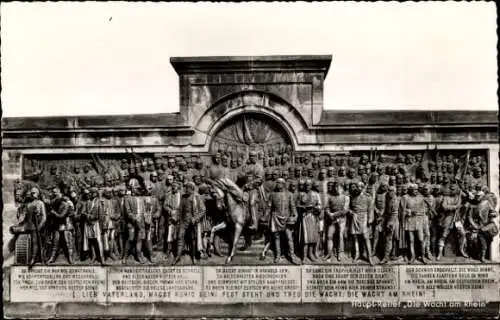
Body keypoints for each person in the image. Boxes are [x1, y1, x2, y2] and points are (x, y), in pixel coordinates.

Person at [264, 178, 300, 264]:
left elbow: (293, 206)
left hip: (286, 218)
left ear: (283, 184)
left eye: (279, 183)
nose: (277, 184)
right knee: (276, 237)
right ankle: (278, 255)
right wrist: (265, 216)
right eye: (277, 183)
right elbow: (269, 207)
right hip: (276, 218)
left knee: (289, 237)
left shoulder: (289, 194)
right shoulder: (272, 195)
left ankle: (292, 255)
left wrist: (295, 214)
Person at [10, 187, 47, 267]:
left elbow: (44, 217)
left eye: (34, 193)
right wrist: (20, 220)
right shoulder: (28, 204)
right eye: (32, 193)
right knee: (15, 231)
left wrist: (40, 226)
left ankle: (33, 258)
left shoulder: (40, 203)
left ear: (38, 194)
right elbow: (25, 216)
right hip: (27, 224)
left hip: (35, 226)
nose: (33, 194)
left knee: (34, 242)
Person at [173, 182, 206, 265]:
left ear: (192, 189)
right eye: (185, 188)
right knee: (180, 237)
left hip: (193, 222)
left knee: (193, 240)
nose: (186, 189)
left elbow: (203, 210)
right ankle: (177, 256)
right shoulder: (183, 197)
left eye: (187, 188)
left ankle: (193, 257)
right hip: (183, 221)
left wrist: (196, 218)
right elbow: (180, 209)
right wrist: (176, 217)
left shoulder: (197, 197)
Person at [436, 184, 467, 260]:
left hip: (456, 219)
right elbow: (444, 206)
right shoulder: (446, 197)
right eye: (452, 189)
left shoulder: (459, 196)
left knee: (463, 233)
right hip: (448, 218)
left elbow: (466, 196)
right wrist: (454, 207)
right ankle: (439, 253)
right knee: (443, 235)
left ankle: (461, 250)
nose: (453, 191)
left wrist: (461, 190)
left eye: (454, 189)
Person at [348, 182, 374, 265]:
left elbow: (370, 209)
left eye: (359, 187)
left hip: (364, 217)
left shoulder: (368, 197)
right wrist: (351, 212)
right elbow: (349, 208)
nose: (357, 189)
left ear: (362, 188)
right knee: (355, 237)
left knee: (366, 237)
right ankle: (357, 254)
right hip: (355, 217)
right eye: (356, 187)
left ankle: (369, 257)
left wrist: (370, 219)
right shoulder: (352, 196)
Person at [47, 187, 75, 264]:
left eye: (56, 193)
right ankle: (52, 258)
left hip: (66, 225)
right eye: (53, 193)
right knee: (55, 242)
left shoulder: (66, 204)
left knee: (68, 243)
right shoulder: (55, 203)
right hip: (58, 225)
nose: (54, 194)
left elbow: (62, 215)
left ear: (60, 193)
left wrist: (53, 213)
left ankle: (70, 258)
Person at [404, 183, 429, 264]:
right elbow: (402, 210)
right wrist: (410, 211)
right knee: (411, 240)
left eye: (416, 190)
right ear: (410, 190)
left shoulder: (421, 198)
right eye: (414, 190)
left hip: (419, 221)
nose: (415, 191)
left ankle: (423, 256)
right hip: (410, 221)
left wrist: (420, 213)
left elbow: (424, 209)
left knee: (421, 239)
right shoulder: (405, 198)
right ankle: (412, 256)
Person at [324, 181, 349, 262]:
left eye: (339, 187)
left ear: (342, 188)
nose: (337, 189)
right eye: (335, 187)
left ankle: (340, 253)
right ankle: (329, 253)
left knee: (340, 236)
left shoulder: (346, 197)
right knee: (329, 236)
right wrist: (329, 214)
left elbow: (345, 210)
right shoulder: (331, 197)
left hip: (341, 219)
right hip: (332, 220)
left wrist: (334, 214)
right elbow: (327, 208)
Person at [83, 187, 105, 265]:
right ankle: (94, 256)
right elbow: (83, 212)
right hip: (88, 223)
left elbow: (101, 215)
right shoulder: (87, 202)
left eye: (93, 193)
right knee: (91, 241)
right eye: (91, 193)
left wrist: (102, 226)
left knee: (99, 241)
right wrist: (88, 216)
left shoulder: (99, 202)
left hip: (96, 223)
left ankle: (102, 258)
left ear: (96, 193)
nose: (91, 194)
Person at [162, 181, 182, 259]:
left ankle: (177, 252)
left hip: (180, 218)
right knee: (170, 235)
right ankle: (168, 250)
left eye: (175, 186)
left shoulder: (182, 195)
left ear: (179, 187)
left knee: (179, 235)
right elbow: (165, 205)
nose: (174, 187)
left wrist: (179, 213)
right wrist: (170, 211)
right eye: (173, 186)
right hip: (171, 217)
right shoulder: (168, 195)